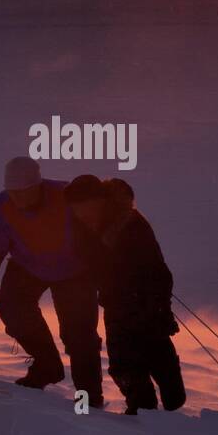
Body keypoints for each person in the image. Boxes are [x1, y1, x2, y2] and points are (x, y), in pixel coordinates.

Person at [0, 157, 104, 405]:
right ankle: (47, 365)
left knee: (80, 334)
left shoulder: (66, 196)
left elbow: (100, 223)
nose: (19, 199)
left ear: (38, 185)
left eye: (24, 192)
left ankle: (89, 398)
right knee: (12, 309)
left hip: (75, 270)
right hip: (28, 264)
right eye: (13, 193)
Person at [65, 175, 186, 414]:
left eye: (86, 208)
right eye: (77, 210)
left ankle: (172, 403)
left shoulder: (131, 223)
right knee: (123, 365)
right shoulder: (82, 230)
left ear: (99, 201)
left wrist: (160, 306)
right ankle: (142, 411)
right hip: (115, 303)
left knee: (157, 354)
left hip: (147, 300)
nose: (82, 215)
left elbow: (157, 270)